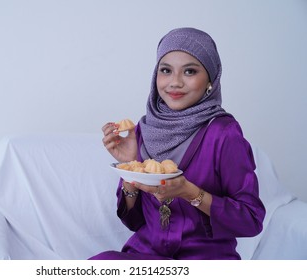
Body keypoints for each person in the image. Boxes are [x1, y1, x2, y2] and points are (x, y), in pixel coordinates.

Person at [91, 27, 265, 260]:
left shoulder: (224, 134)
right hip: (147, 255)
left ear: (210, 81)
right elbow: (134, 222)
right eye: (166, 70)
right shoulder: (144, 129)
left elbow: (251, 220)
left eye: (190, 71)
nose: (174, 82)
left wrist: (189, 192)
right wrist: (130, 168)